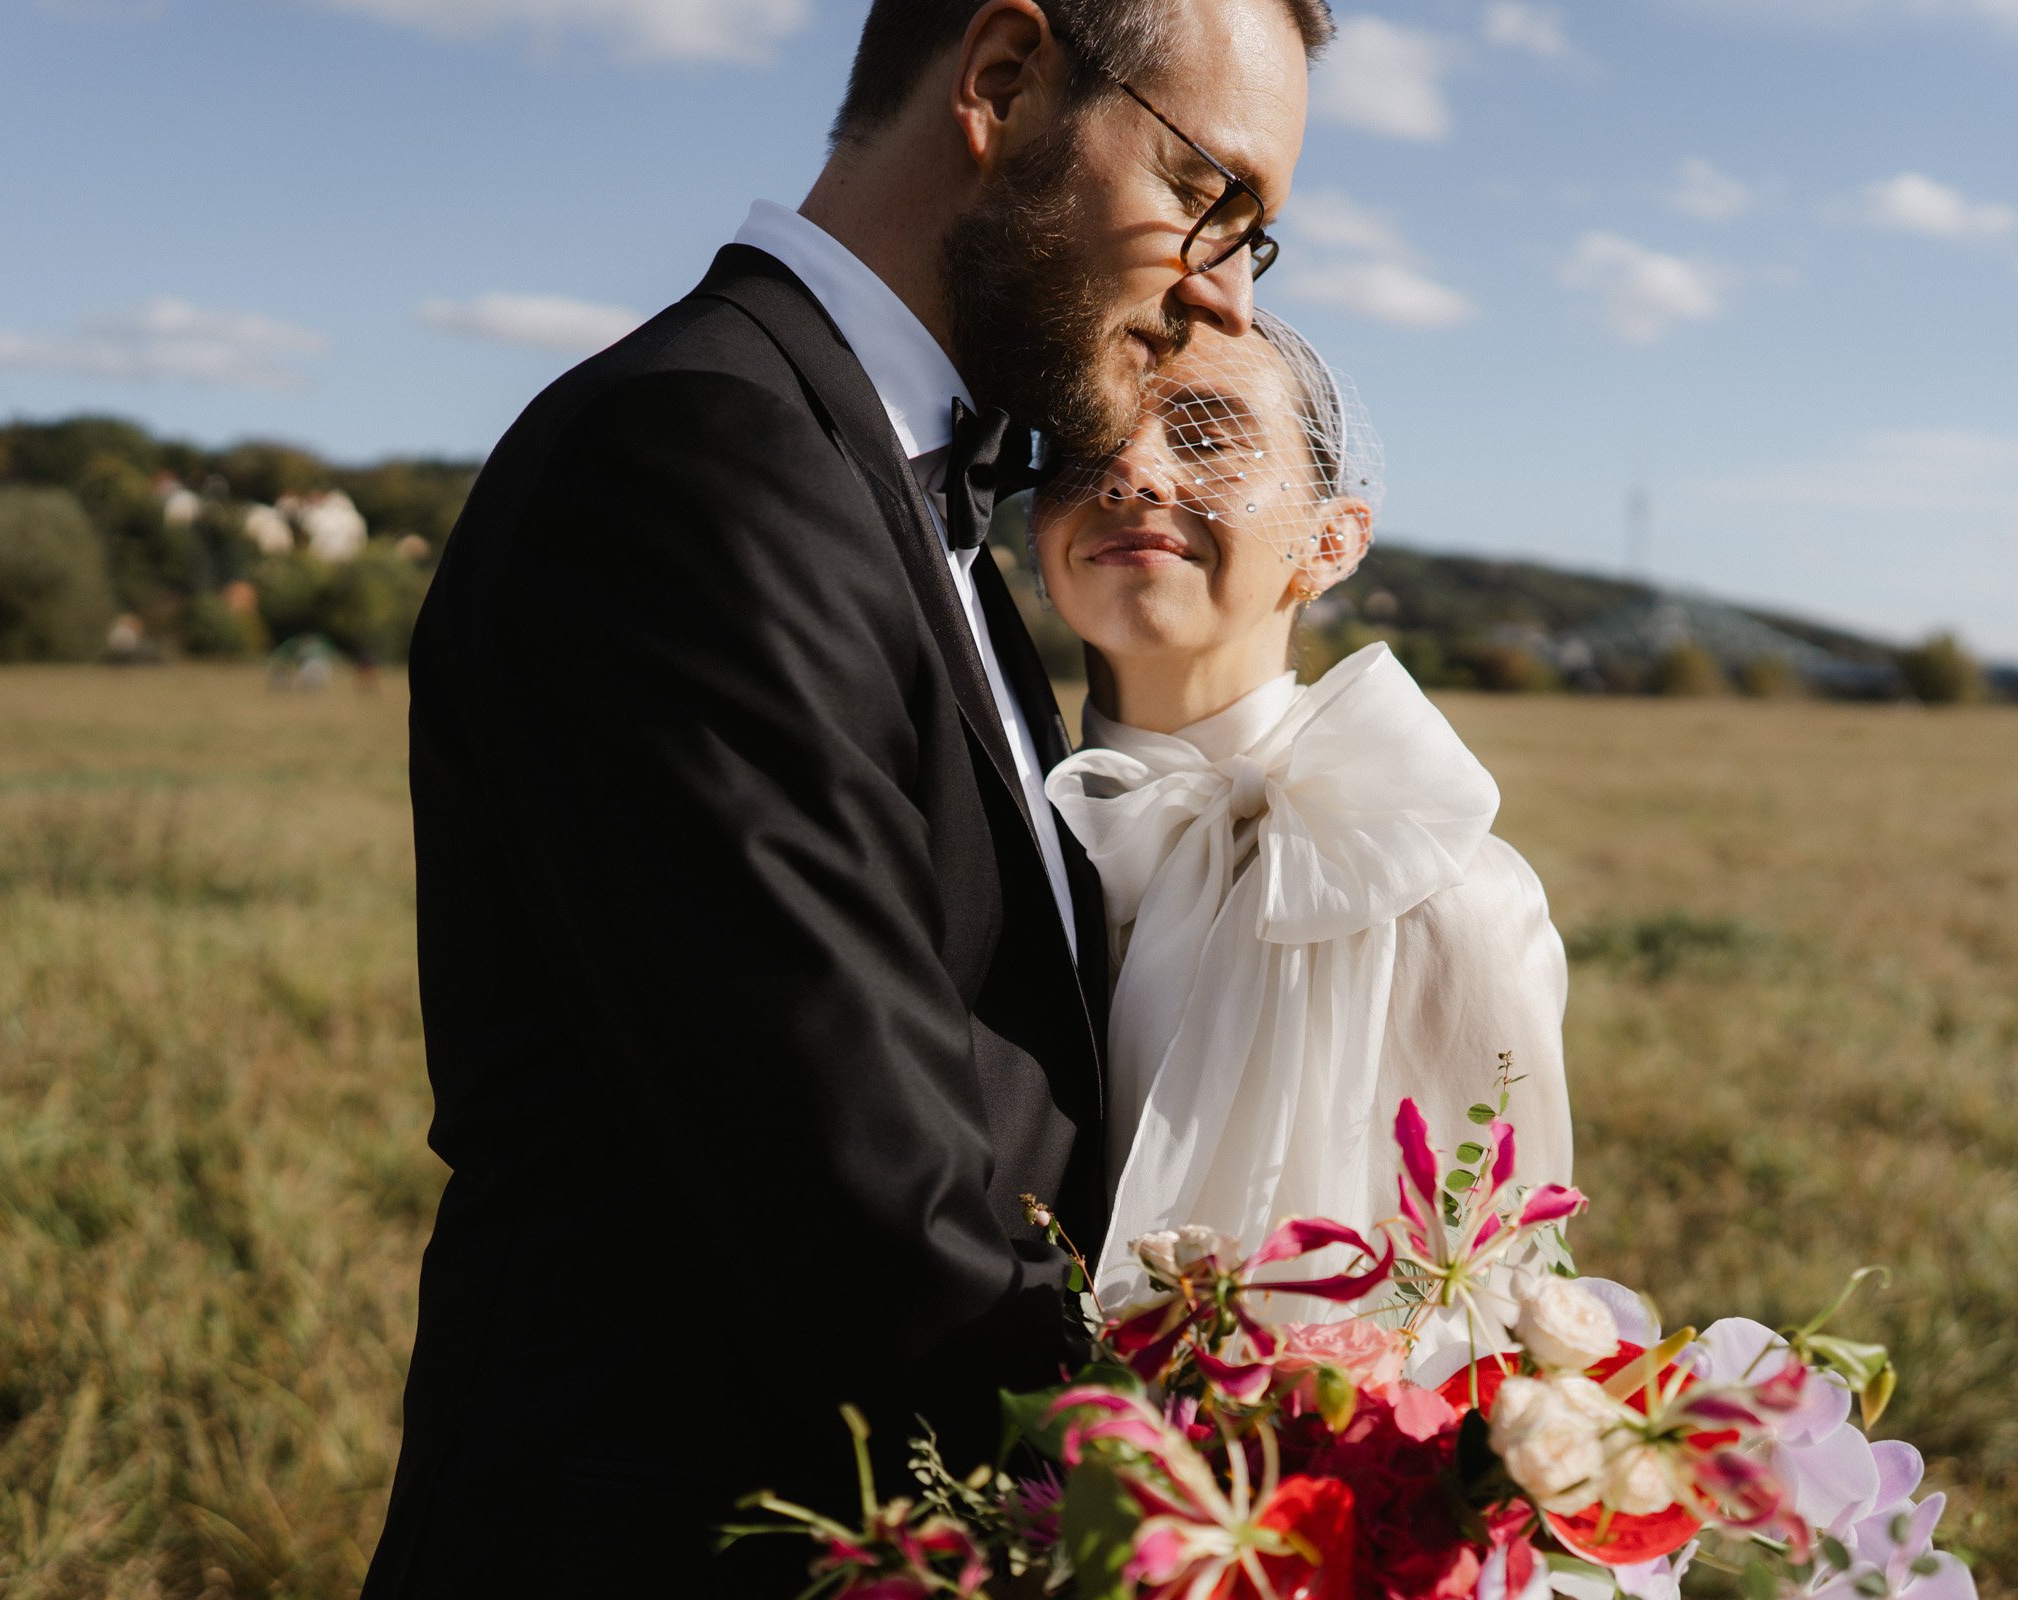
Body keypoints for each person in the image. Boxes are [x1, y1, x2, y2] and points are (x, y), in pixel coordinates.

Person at [361, 1, 1329, 1595]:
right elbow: (860, 1187)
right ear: (1003, 83)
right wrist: (1223, 1535)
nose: (1219, 287)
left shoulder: (889, 486)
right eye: (1210, 196)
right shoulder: (700, 457)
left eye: (1254, 239)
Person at [1035, 312, 1572, 1339]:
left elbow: (1492, 1316)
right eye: (1085, 436)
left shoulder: (1446, 898)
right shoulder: (990, 838)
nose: (1132, 469)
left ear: (1333, 541)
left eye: (1206, 431)